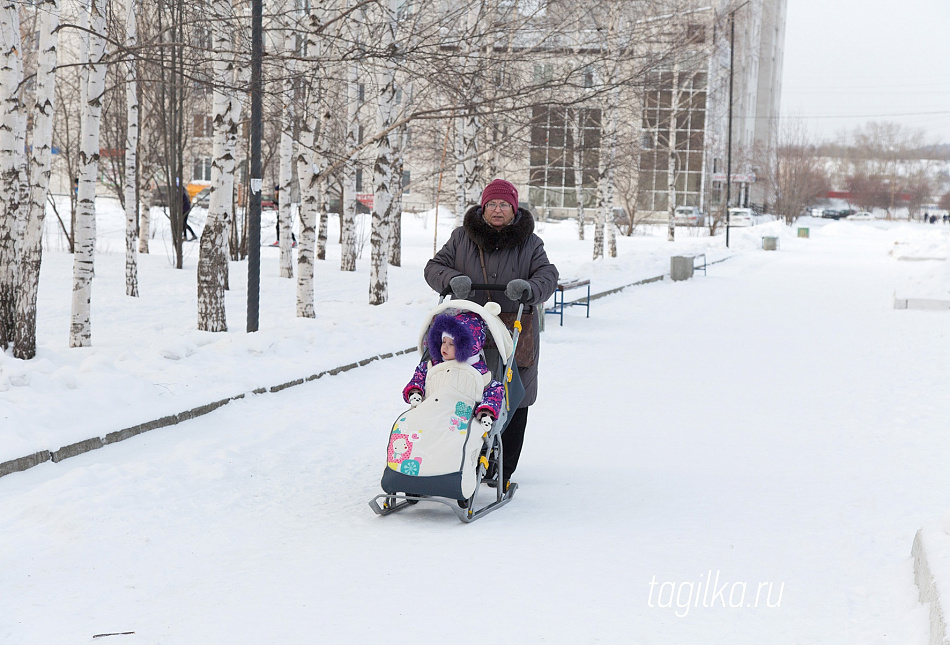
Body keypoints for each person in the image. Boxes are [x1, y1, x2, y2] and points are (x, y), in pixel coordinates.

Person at [424, 178, 559, 491]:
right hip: (467, 328)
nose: (498, 210)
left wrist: (530, 289)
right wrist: (451, 279)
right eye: (492, 204)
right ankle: (450, 457)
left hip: (516, 329)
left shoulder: (530, 242)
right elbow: (434, 267)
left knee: (515, 393)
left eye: (504, 205)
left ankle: (503, 467)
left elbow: (547, 275)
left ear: (514, 209)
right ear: (483, 207)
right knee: (460, 388)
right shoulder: (461, 238)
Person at [402, 311, 504, 427]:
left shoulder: (480, 372)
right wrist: (415, 391)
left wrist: (486, 411)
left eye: (451, 344)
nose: (444, 346)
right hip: (430, 413)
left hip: (461, 421)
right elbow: (418, 378)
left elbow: (494, 392)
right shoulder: (432, 365)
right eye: (443, 341)